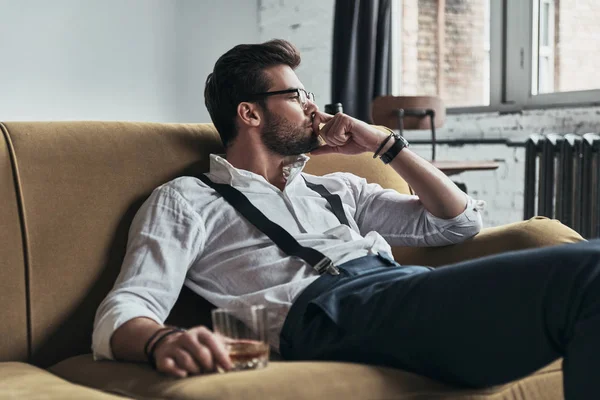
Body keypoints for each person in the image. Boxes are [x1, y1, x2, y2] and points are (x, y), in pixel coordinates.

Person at [93, 39, 599, 398]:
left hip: (402, 294)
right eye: (297, 96)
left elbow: (456, 223)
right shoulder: (186, 199)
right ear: (250, 114)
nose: (314, 108)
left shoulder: (337, 187)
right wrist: (163, 339)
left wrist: (383, 143)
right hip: (330, 316)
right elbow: (127, 305)